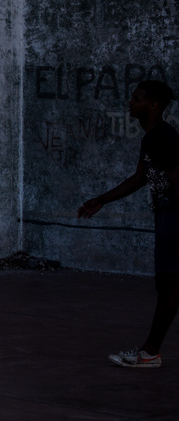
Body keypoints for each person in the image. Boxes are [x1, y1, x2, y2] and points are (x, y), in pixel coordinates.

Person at [77, 79, 179, 368]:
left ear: (154, 105)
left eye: (136, 98)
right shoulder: (152, 137)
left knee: (170, 285)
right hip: (166, 213)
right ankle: (150, 352)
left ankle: (149, 353)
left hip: (173, 214)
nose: (130, 102)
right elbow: (139, 177)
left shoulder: (163, 137)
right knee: (167, 284)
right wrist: (102, 199)